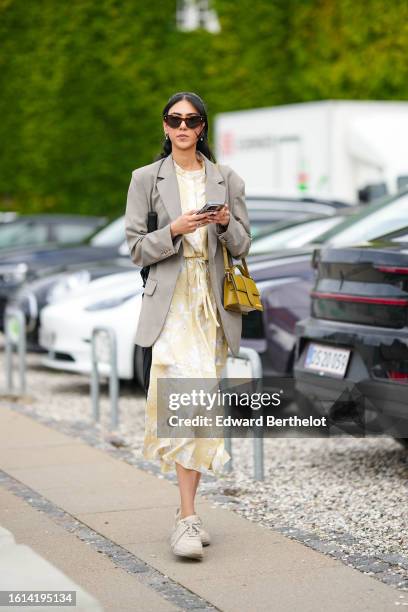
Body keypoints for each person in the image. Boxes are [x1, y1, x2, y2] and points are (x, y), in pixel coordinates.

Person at [125, 91, 251, 560]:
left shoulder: (227, 178)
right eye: (174, 119)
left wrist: (221, 225)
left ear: (202, 128)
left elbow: (242, 246)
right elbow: (136, 248)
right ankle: (187, 517)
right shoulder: (145, 179)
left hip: (210, 305)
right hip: (170, 305)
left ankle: (186, 515)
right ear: (164, 126)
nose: (182, 127)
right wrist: (174, 229)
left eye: (191, 120)